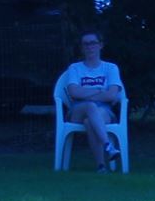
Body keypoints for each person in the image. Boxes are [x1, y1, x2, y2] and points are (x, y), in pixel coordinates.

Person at [54, 31, 125, 171]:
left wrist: (85, 93)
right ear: (82, 47)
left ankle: (101, 166)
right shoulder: (75, 68)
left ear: (100, 45)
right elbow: (74, 93)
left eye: (93, 43)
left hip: (104, 110)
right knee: (91, 106)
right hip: (78, 110)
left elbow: (111, 95)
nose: (89, 46)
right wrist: (99, 90)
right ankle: (108, 146)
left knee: (89, 121)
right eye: (85, 44)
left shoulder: (110, 68)